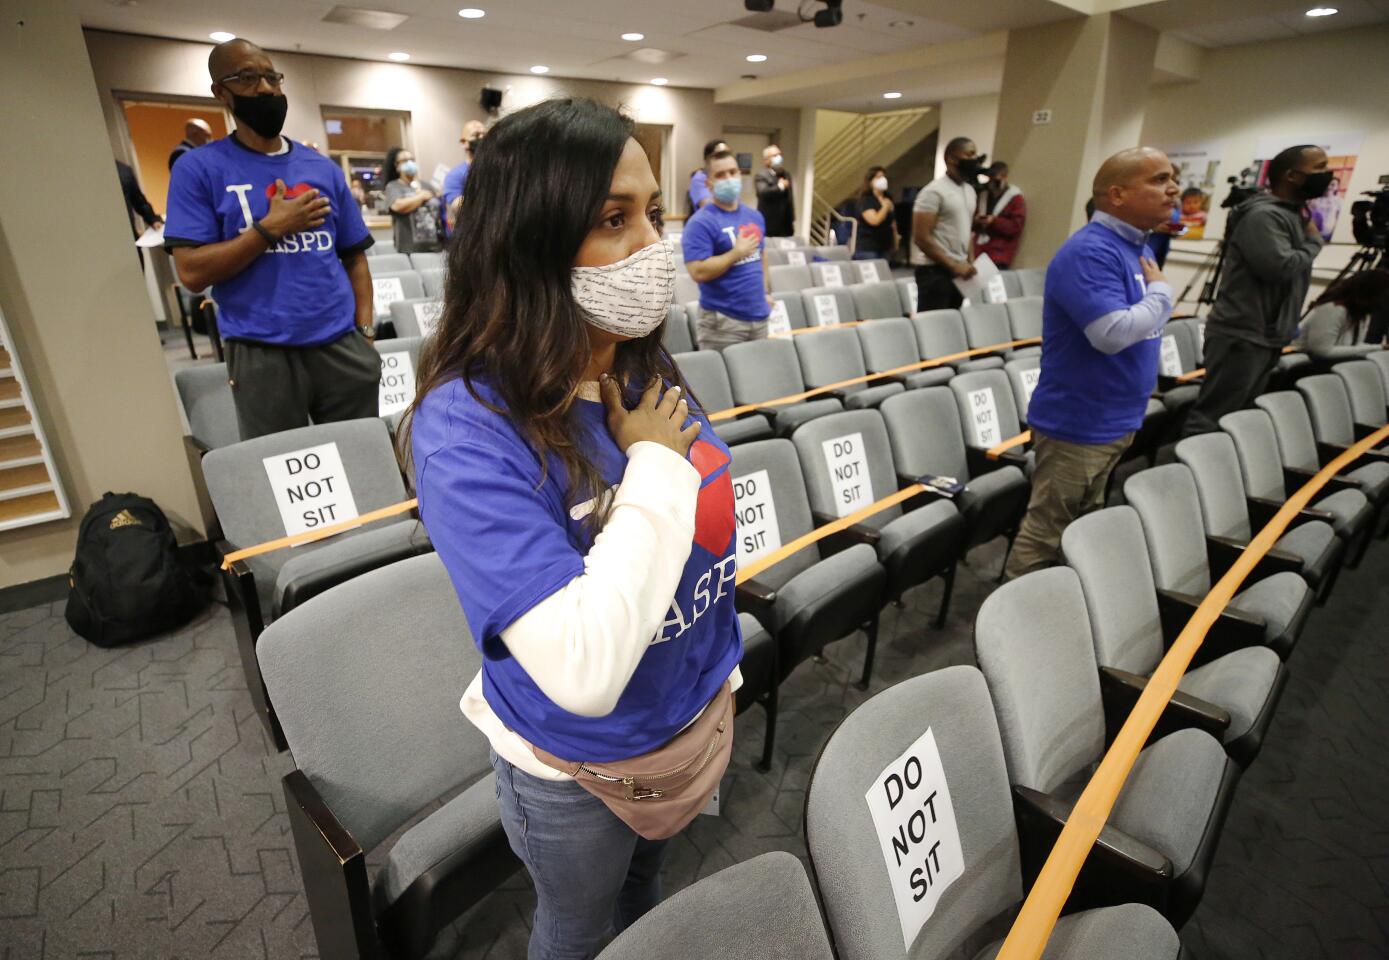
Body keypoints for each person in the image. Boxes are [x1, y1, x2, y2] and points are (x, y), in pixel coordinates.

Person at [406, 97, 742, 960]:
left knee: (647, 892)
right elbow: (583, 670)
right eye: (610, 219)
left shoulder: (638, 359)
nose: (651, 246)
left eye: (653, 213)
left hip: (686, 713)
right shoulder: (467, 428)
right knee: (579, 926)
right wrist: (658, 467)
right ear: (529, 240)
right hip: (579, 764)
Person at [164, 38, 380, 441]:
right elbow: (191, 272)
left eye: (271, 77)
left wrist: (365, 336)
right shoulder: (198, 169)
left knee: (361, 461)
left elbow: (354, 258)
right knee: (284, 474)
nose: (264, 89)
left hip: (341, 345)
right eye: (247, 78)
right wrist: (269, 229)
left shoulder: (321, 168)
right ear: (221, 93)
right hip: (261, 352)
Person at [1003, 147, 1178, 581]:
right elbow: (1112, 334)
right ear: (1116, 195)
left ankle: (1053, 600)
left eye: (1171, 177)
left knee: (1081, 523)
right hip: (1079, 423)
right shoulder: (1091, 252)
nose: (1173, 188)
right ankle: (1011, 621)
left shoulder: (1139, 247)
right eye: (1158, 179)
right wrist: (1162, 296)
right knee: (1046, 530)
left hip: (1117, 418)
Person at [1181, 144, 1333, 436]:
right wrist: (1314, 242)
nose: (1327, 174)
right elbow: (1279, 267)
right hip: (1242, 333)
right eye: (1319, 167)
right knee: (1214, 416)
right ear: (1291, 175)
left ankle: (1215, 474)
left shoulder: (1291, 215)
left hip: (1265, 334)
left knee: (1236, 418)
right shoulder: (1263, 216)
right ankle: (1181, 477)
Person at [682, 149, 774, 351]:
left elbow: (762, 256)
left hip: (759, 317)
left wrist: (766, 292)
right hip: (722, 323)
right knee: (720, 383)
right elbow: (697, 271)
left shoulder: (754, 216)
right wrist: (736, 253)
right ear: (709, 183)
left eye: (733, 172)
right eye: (720, 175)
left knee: (758, 380)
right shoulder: (700, 222)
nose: (729, 178)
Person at [912, 137, 984, 312]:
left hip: (960, 270)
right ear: (951, 158)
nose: (974, 159)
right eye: (969, 154)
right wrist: (953, 265)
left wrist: (970, 261)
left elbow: (966, 230)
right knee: (933, 329)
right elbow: (922, 238)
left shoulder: (969, 190)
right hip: (934, 272)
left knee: (952, 326)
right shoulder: (933, 192)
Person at [1294, 269, 1389, 361]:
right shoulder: (1333, 309)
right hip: (1305, 365)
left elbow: (1355, 347)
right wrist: (1378, 348)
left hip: (1333, 365)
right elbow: (1322, 351)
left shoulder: (1361, 314)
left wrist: (1382, 348)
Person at [383, 146, 442, 254]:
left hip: (435, 246)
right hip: (409, 249)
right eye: (405, 161)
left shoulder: (427, 186)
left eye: (412, 160)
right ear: (397, 166)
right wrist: (421, 197)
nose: (410, 163)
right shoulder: (393, 186)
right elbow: (397, 206)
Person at [974, 161, 1025, 269]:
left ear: (1005, 177)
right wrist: (977, 220)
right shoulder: (983, 195)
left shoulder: (1015, 198)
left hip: (999, 255)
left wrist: (994, 221)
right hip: (978, 251)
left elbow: (1015, 227)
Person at [443, 119, 487, 234]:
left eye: (485, 135)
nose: (482, 138)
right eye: (476, 135)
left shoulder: (497, 169)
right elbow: (457, 206)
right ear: (463, 142)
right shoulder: (455, 175)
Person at [116, 160, 162, 270]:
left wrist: (153, 219)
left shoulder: (123, 171)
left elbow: (138, 200)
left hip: (130, 238)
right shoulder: (122, 170)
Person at [853, 166, 897, 260]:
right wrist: (885, 207)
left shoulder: (888, 198)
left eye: (883, 177)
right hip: (869, 248)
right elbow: (875, 221)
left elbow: (892, 221)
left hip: (885, 246)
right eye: (878, 177)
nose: (883, 180)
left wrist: (895, 240)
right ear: (870, 181)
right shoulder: (866, 200)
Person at [754, 144, 795, 237]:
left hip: (786, 225)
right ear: (766, 160)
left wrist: (792, 217)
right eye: (775, 155)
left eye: (779, 154)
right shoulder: (761, 176)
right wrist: (780, 186)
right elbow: (763, 193)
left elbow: (789, 197)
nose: (779, 157)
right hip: (769, 225)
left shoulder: (786, 174)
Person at [686, 138, 727, 214]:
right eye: (720, 155)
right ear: (707, 159)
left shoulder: (727, 178)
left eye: (727, 155)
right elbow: (708, 207)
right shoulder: (699, 179)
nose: (725, 159)